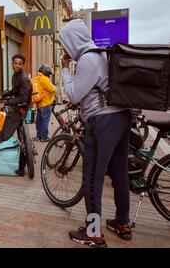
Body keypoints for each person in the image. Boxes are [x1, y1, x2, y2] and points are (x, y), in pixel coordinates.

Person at [60, 19, 131, 248]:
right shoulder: (101, 53)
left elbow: (72, 94)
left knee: (92, 178)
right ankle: (122, 222)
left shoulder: (88, 60)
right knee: (120, 173)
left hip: (103, 122)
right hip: (121, 116)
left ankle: (93, 233)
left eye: (64, 43)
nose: (64, 49)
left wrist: (63, 69)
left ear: (72, 40)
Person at [33, 65, 56, 142]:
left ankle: (38, 136)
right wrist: (54, 86)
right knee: (45, 121)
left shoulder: (37, 78)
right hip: (45, 103)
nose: (49, 75)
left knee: (39, 120)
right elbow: (52, 89)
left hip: (39, 103)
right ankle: (44, 137)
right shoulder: (44, 79)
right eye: (49, 74)